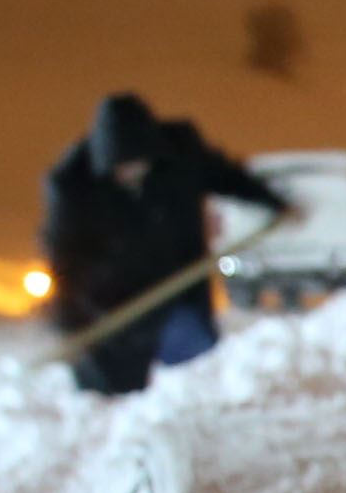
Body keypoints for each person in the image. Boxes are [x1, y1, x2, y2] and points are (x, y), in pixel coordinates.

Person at [40, 91, 283, 397]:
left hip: (176, 294)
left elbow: (224, 175)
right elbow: (64, 258)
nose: (132, 171)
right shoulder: (72, 184)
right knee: (109, 393)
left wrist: (270, 201)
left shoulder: (180, 153)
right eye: (123, 166)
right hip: (112, 307)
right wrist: (69, 323)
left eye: (138, 162)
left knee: (195, 380)